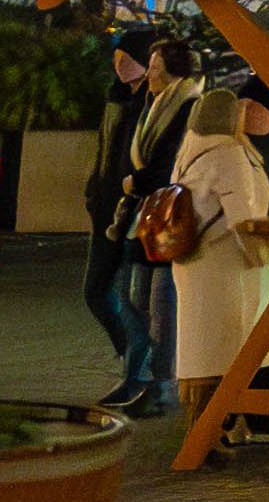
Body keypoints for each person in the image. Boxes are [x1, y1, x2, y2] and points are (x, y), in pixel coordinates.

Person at [171, 82, 269, 452]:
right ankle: (212, 432)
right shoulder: (229, 154)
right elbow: (243, 217)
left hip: (195, 265)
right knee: (233, 345)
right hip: (228, 267)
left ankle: (215, 427)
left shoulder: (191, 152)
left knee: (205, 349)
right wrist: (259, 254)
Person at [85, 31, 205, 411]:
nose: (148, 74)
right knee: (132, 299)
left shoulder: (185, 107)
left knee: (155, 306)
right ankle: (137, 378)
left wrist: (135, 181)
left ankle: (156, 384)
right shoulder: (150, 105)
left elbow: (169, 163)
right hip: (137, 214)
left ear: (172, 72)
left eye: (154, 67)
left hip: (162, 216)